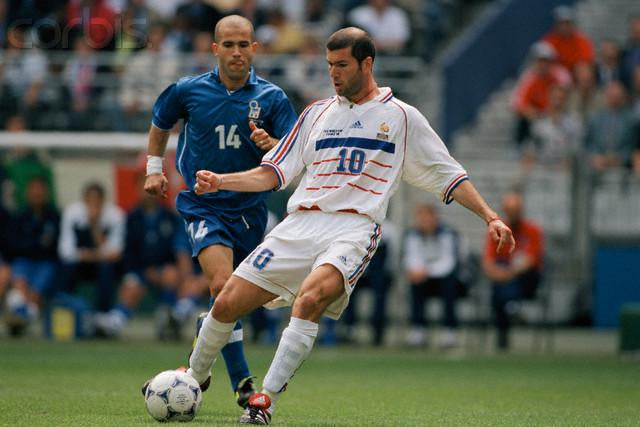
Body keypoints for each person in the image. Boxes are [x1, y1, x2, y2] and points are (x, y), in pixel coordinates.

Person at [182, 27, 515, 424]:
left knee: (310, 299)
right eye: (329, 66)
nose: (334, 74)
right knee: (226, 303)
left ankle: (263, 401)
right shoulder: (316, 114)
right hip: (300, 223)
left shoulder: (402, 117)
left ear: (366, 63)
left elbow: (450, 176)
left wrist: (491, 217)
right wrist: (222, 181)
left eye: (342, 65)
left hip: (353, 229)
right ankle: (192, 378)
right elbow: (273, 172)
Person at [142, 15, 297, 409]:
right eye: (228, 45)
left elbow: (295, 155)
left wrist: (272, 142)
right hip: (203, 204)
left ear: (255, 49)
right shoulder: (189, 90)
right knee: (223, 285)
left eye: (243, 44)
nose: (236, 52)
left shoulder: (273, 99)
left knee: (235, 301)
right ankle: (243, 383)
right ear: (214, 49)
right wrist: (154, 170)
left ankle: (200, 357)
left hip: (249, 210)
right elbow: (160, 122)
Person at [94, 176, 205, 340]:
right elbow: (128, 252)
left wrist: (166, 269)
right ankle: (115, 322)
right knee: (131, 285)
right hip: (140, 271)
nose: (148, 192)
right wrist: (145, 271)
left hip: (165, 270)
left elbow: (175, 251)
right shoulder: (131, 218)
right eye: (145, 187)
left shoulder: (170, 217)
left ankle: (169, 318)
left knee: (172, 275)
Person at [483, 191, 543, 350]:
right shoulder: (496, 231)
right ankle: (512, 307)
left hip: (526, 280)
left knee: (502, 287)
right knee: (499, 285)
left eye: (516, 209)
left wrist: (508, 273)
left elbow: (530, 261)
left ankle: (508, 313)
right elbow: (488, 263)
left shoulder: (533, 231)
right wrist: (500, 273)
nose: (513, 213)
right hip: (503, 277)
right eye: (510, 209)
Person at [403, 203, 467, 349]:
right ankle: (417, 330)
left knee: (449, 285)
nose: (424, 222)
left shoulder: (448, 234)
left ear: (435, 218)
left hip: (447, 279)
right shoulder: (412, 235)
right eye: (421, 218)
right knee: (416, 284)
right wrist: (416, 271)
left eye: (427, 218)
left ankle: (449, 331)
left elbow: (448, 263)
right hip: (424, 280)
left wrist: (425, 271)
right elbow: (411, 258)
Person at [4, 176, 60, 337]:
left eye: (40, 190)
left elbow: (51, 247)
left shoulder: (54, 217)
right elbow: (14, 245)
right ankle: (24, 313)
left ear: (46, 193)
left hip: (46, 263)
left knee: (35, 293)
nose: (37, 194)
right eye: (33, 190)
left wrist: (32, 246)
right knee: (20, 282)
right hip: (23, 261)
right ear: (28, 193)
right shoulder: (20, 217)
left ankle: (20, 314)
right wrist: (36, 244)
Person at [58, 182, 125, 313]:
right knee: (66, 267)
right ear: (84, 200)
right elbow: (65, 252)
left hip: (101, 266)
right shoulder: (71, 213)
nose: (93, 204)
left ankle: (103, 313)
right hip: (79, 265)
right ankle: (66, 309)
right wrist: (89, 256)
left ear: (103, 201)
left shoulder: (116, 216)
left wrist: (95, 226)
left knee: (106, 267)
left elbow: (115, 254)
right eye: (89, 200)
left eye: (97, 201)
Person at [511, 41, 571, 148]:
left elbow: (566, 96)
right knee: (523, 122)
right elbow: (517, 103)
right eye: (540, 61)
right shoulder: (529, 77)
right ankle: (520, 148)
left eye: (546, 61)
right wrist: (529, 111)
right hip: (539, 116)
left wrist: (553, 111)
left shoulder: (561, 74)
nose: (543, 65)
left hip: (559, 114)